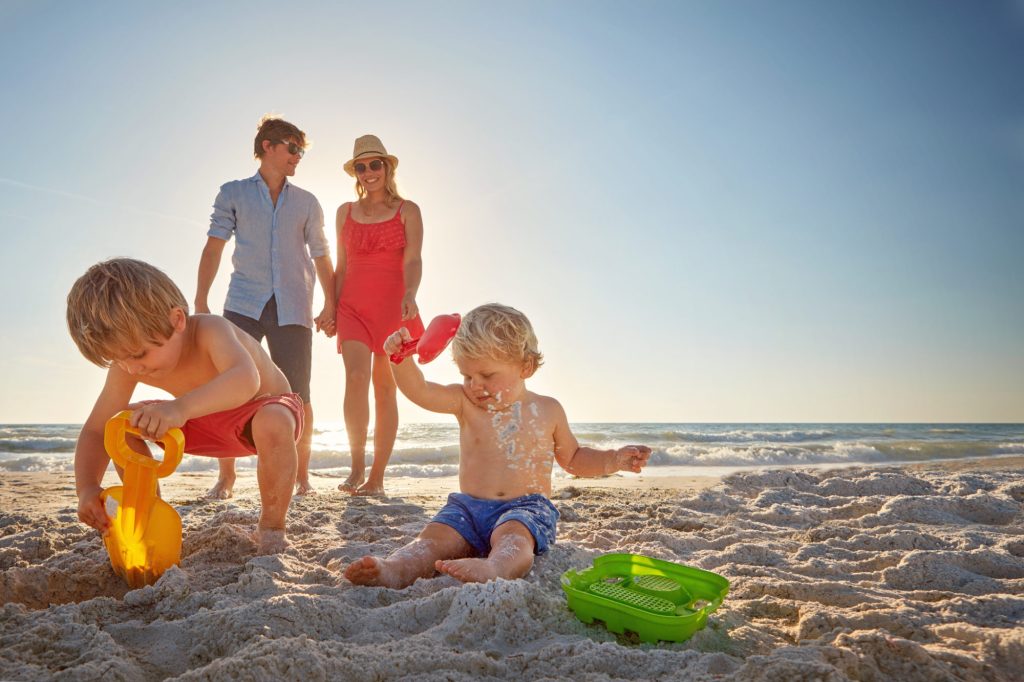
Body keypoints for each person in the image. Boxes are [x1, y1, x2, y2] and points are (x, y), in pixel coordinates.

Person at [344, 303, 651, 586]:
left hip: (525, 508)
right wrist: (400, 359)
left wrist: (613, 460)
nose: (475, 385)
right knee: (432, 539)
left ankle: (496, 568)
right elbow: (420, 390)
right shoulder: (464, 402)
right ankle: (397, 568)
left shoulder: (548, 410)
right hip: (468, 506)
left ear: (525, 367)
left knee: (514, 540)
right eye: (467, 375)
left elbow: (573, 458)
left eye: (487, 374)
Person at [67, 259, 302, 553]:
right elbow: (96, 429)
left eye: (138, 354)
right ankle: (151, 514)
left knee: (273, 419)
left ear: (177, 320)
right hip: (199, 422)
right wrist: (87, 487)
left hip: (255, 415)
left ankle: (272, 529)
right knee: (122, 424)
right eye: (119, 359)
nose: (131, 368)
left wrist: (178, 410)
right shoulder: (129, 365)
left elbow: (246, 381)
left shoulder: (210, 329)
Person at [195, 115, 335, 499]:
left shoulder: (307, 202)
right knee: (226, 386)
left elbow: (322, 256)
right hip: (243, 302)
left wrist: (331, 302)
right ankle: (226, 477)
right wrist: (201, 299)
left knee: (299, 394)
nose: (298, 156)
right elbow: (214, 247)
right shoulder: (233, 193)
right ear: (268, 147)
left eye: (301, 150)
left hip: (294, 305)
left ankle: (300, 477)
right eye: (292, 148)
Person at [331, 134, 424, 496]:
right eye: (361, 166)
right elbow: (341, 266)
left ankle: (377, 478)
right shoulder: (344, 212)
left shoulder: (408, 210)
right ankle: (355, 469)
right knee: (355, 378)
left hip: (393, 306)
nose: (368, 172)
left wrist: (412, 293)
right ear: (355, 172)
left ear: (387, 167)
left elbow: (413, 258)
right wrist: (330, 307)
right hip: (352, 305)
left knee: (385, 390)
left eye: (375, 164)